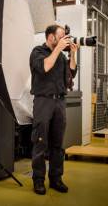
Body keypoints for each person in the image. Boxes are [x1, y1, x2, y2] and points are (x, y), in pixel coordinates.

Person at [29, 25, 79, 195]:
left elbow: (71, 73)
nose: (65, 38)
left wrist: (72, 54)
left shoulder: (61, 57)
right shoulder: (38, 52)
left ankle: (56, 178)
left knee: (58, 144)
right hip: (43, 101)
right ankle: (38, 180)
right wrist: (58, 49)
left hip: (59, 102)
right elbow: (44, 67)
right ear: (51, 37)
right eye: (61, 36)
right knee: (40, 142)